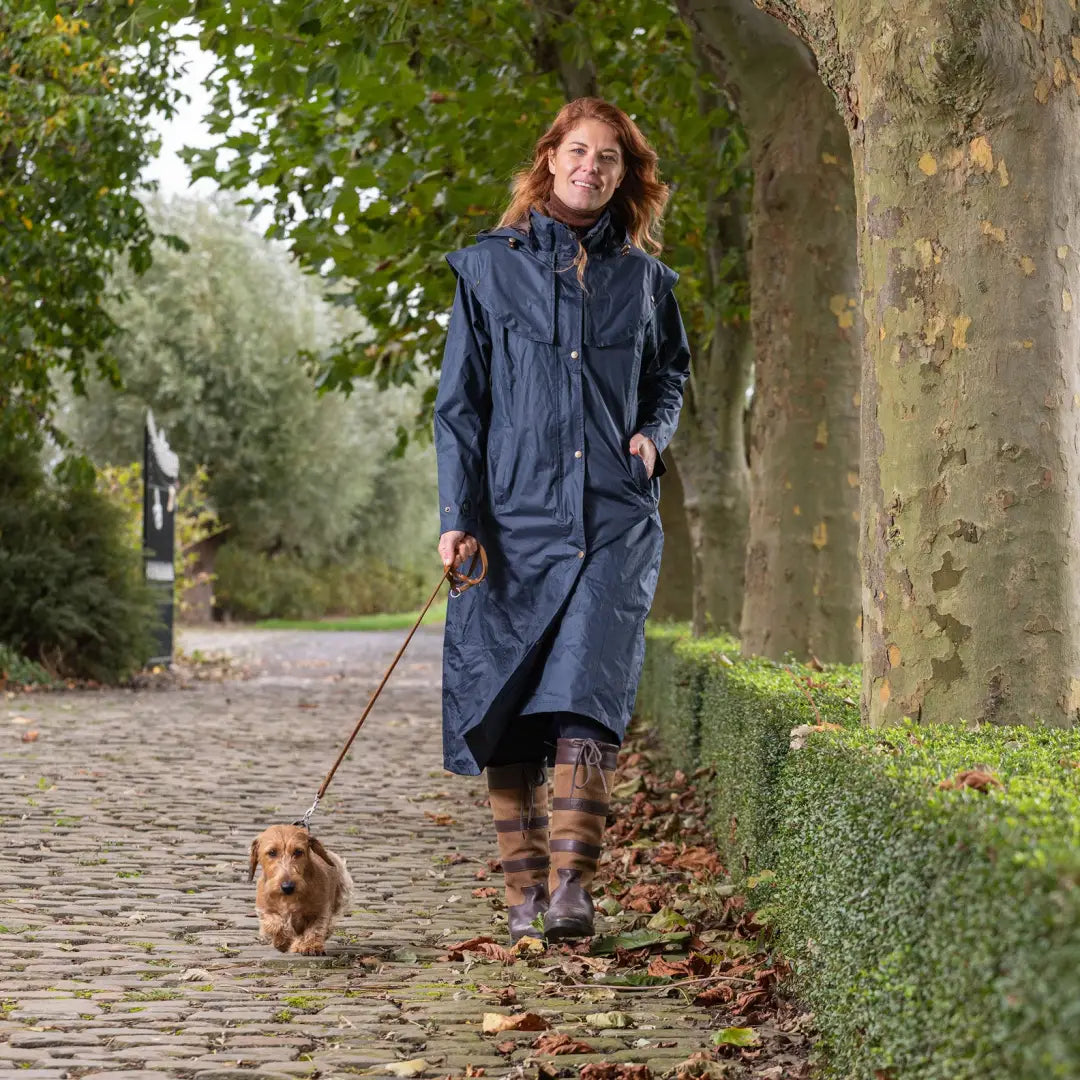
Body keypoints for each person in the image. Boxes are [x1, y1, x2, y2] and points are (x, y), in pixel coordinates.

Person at [433, 97, 690, 943]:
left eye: (610, 158)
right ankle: (523, 894)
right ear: (550, 159)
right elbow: (460, 408)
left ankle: (573, 891)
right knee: (503, 705)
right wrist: (457, 516)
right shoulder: (486, 270)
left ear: (626, 175)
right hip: (508, 524)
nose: (592, 168)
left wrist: (655, 434)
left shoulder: (647, 282)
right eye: (578, 152)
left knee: (588, 694)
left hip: (615, 519)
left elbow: (669, 374)